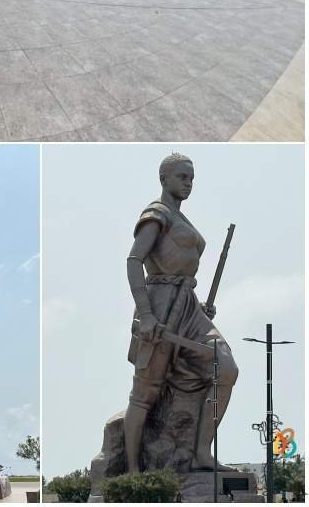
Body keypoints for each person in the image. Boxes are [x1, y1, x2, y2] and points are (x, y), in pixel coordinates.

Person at [124, 153, 238, 473]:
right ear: (164, 178)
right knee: (144, 392)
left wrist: (199, 307)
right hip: (160, 303)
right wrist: (146, 314)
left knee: (225, 368)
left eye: (191, 178)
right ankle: (132, 471)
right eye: (182, 177)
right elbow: (134, 261)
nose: (188, 183)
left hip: (189, 305)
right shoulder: (156, 214)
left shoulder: (184, 220)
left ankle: (202, 451)